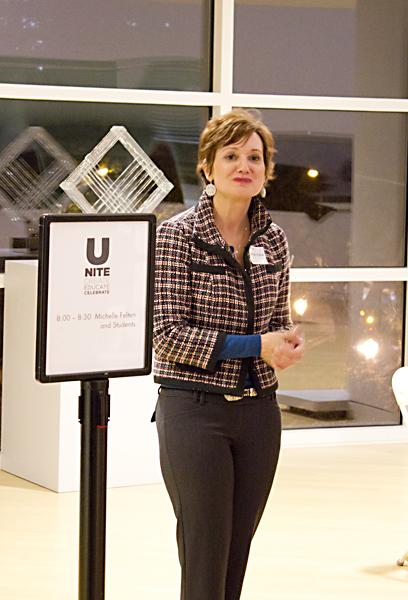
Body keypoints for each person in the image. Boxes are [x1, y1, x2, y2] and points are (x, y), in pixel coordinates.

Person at [153, 108, 304, 600]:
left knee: (236, 553)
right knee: (205, 554)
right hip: (194, 412)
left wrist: (282, 344)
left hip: (260, 413)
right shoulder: (177, 236)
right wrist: (256, 345)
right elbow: (168, 335)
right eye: (232, 155)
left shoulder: (274, 239)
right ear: (207, 166)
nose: (245, 165)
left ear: (267, 170)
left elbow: (273, 322)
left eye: (255, 157)